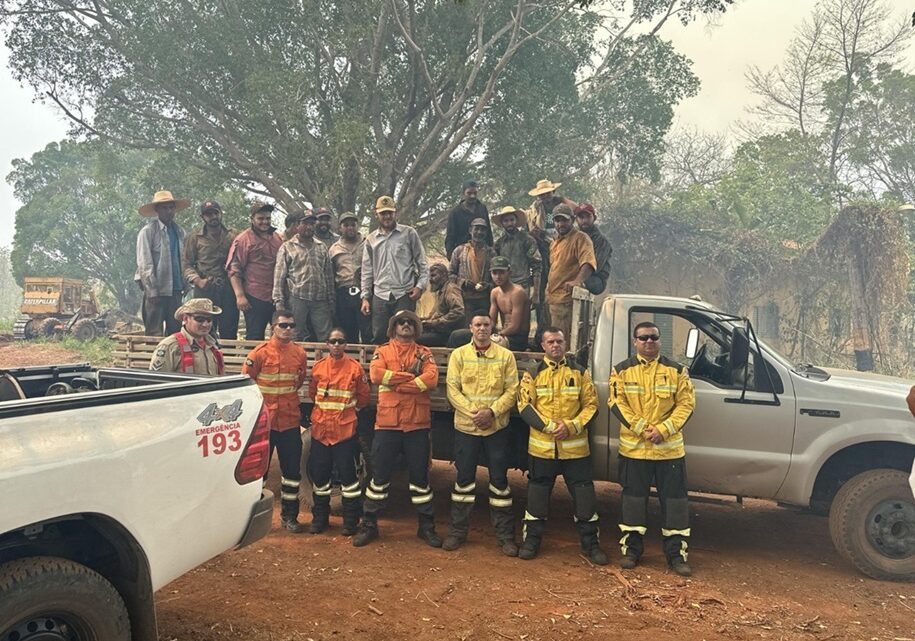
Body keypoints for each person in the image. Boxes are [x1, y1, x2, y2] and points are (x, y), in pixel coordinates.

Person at [609, 321, 696, 576]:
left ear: (660, 341)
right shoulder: (621, 371)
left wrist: (664, 429)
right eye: (643, 338)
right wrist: (643, 428)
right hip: (635, 449)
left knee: (675, 503)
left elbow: (687, 404)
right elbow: (616, 402)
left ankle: (676, 555)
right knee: (633, 502)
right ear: (634, 341)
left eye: (653, 338)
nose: (649, 342)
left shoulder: (678, 371)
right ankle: (631, 550)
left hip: (669, 451)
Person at [516, 326, 608, 565]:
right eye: (550, 342)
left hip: (575, 450)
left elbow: (592, 406)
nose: (555, 345)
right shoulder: (532, 373)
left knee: (584, 498)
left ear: (565, 344)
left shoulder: (580, 372)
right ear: (543, 346)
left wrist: (572, 426)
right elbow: (524, 406)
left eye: (559, 341)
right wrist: (548, 427)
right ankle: (531, 542)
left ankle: (591, 545)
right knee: (537, 497)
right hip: (542, 449)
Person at [353, 310, 442, 548]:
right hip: (387, 425)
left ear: (415, 328)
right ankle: (369, 525)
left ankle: (426, 528)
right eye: (401, 322)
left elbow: (431, 380)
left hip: (417, 426)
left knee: (420, 481)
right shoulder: (382, 351)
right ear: (393, 329)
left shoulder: (424, 353)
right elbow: (375, 375)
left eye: (410, 322)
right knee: (378, 479)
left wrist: (398, 383)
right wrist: (411, 379)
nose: (406, 325)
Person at [444, 313, 520, 555]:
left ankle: (505, 536)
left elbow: (512, 390)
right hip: (467, 428)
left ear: (492, 328)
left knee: (499, 482)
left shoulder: (505, 356)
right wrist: (475, 414)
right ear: (471, 328)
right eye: (477, 325)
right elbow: (452, 390)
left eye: (486, 325)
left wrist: (492, 412)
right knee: (464, 481)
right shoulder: (459, 355)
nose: (482, 329)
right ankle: (457, 532)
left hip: (496, 428)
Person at [242, 311, 309, 533]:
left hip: (289, 423)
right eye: (283, 325)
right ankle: (252, 519)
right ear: (273, 327)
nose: (288, 329)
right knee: (258, 474)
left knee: (291, 474)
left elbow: (297, 382)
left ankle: (289, 517)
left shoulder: (299, 353)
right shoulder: (259, 354)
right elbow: (247, 384)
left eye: (291, 325)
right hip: (265, 424)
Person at [307, 328, 371, 535]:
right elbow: (312, 393)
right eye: (333, 341)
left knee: (349, 481)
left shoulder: (354, 369)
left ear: (346, 344)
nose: (336, 345)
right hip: (320, 432)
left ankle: (350, 522)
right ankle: (320, 519)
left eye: (340, 341)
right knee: (320, 479)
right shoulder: (318, 368)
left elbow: (363, 398)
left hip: (344, 433)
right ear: (327, 344)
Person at [361, 196, 429, 344]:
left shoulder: (409, 233)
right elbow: (367, 270)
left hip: (404, 293)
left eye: (390, 213)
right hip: (380, 294)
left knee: (406, 334)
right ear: (376, 214)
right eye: (383, 213)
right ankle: (381, 366)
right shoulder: (371, 239)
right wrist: (366, 297)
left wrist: (420, 287)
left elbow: (422, 263)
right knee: (379, 335)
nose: (387, 217)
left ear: (395, 213)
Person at [273, 211, 335, 342]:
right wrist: (279, 302)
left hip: (320, 299)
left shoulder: (321, 247)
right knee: (295, 334)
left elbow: (328, 276)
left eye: (312, 223)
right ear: (297, 225)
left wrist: (331, 300)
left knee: (326, 336)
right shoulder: (287, 247)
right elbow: (279, 277)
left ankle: (324, 362)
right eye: (305, 223)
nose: (309, 227)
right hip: (297, 297)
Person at [183, 200, 239, 340]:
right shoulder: (195, 237)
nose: (213, 217)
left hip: (228, 286)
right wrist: (197, 280)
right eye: (209, 214)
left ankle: (226, 360)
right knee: (203, 327)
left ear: (220, 214)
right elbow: (186, 264)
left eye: (215, 213)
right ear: (203, 217)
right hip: (205, 287)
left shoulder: (233, 235)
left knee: (229, 327)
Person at [227, 201, 284, 340]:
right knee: (254, 335)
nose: (265, 222)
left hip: (276, 296)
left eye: (268, 218)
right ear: (252, 218)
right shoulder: (243, 240)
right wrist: (240, 296)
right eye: (261, 218)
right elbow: (234, 269)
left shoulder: (277, 238)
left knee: (279, 335)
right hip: (254, 296)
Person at [136, 190, 188, 336]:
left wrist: (186, 284)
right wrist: (151, 290)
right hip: (156, 290)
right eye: (164, 208)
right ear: (157, 210)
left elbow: (185, 259)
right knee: (154, 333)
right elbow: (144, 262)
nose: (169, 211)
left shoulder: (180, 232)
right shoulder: (148, 232)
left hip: (176, 289)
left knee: (175, 333)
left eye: (171, 207)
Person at [527, 179, 577, 323]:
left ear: (553, 192)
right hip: (543, 250)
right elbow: (529, 230)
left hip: (563, 246)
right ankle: (543, 325)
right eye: (542, 195)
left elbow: (578, 210)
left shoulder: (562, 204)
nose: (545, 197)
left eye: (547, 194)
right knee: (541, 290)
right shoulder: (536, 209)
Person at [545, 204, 596, 339]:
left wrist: (577, 281)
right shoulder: (555, 242)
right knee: (551, 340)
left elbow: (588, 262)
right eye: (557, 220)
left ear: (572, 220)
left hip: (565, 301)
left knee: (561, 342)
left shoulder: (580, 238)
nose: (561, 224)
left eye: (564, 220)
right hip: (552, 299)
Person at [149, 298, 225, 375]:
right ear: (185, 318)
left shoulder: (213, 345)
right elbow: (157, 380)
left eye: (209, 320)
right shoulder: (170, 346)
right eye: (200, 319)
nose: (205, 324)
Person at [329, 211, 370, 344]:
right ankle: (352, 362)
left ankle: (368, 363)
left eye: (353, 224)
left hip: (364, 291)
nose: (350, 227)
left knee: (367, 329)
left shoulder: (368, 243)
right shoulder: (334, 249)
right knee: (348, 330)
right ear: (340, 228)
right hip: (344, 292)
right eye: (346, 225)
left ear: (357, 226)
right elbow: (330, 273)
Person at [449, 218, 495, 319]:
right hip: (465, 298)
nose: (479, 232)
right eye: (476, 229)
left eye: (483, 230)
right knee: (467, 329)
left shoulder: (491, 253)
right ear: (470, 230)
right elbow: (451, 274)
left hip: (485, 299)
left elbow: (496, 275)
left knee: (484, 326)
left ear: (486, 232)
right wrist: (463, 282)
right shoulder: (459, 250)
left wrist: (488, 285)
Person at [492, 205, 541, 295]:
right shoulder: (499, 243)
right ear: (502, 223)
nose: (509, 223)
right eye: (506, 221)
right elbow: (495, 267)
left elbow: (537, 266)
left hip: (523, 285)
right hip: (504, 286)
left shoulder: (527, 240)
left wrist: (536, 294)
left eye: (512, 220)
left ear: (516, 221)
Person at [489, 257, 531, 351]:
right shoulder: (495, 292)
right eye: (495, 273)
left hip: (517, 338)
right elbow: (491, 321)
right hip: (502, 334)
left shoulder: (517, 292)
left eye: (501, 272)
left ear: (509, 272)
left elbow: (515, 326)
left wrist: (499, 334)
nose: (498, 277)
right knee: (460, 336)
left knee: (491, 344)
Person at [418, 263, 465, 347]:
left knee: (415, 339)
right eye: (430, 276)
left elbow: (458, 311)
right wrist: (420, 320)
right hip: (437, 330)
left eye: (434, 275)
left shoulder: (451, 289)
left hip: (446, 333)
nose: (431, 280)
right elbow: (434, 316)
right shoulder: (440, 291)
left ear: (444, 275)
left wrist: (434, 323)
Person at [445, 180, 493, 259]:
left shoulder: (482, 209)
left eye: (475, 193)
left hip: (482, 253)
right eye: (469, 193)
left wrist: (491, 249)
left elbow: (488, 232)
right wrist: (452, 257)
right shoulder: (455, 212)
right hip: (463, 254)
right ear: (463, 194)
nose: (472, 196)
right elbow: (450, 237)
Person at [574, 203, 612, 296]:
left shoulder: (601, 241)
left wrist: (576, 277)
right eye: (581, 217)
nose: (584, 220)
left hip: (595, 279)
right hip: (576, 273)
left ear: (594, 218)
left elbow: (595, 266)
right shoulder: (573, 237)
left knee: (587, 279)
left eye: (588, 217)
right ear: (576, 219)